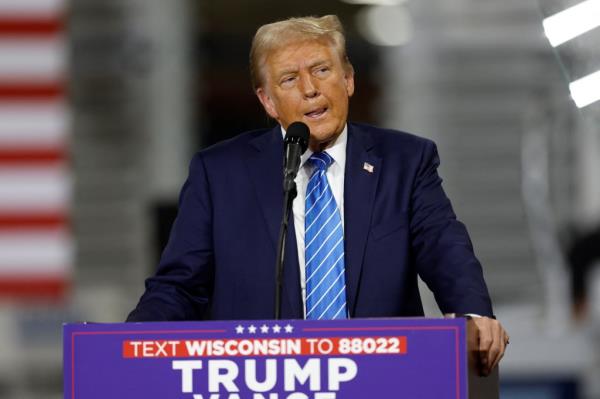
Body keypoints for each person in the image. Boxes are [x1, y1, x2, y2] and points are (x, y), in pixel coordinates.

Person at [127, 15, 508, 375]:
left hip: (383, 380)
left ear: (348, 80)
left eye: (322, 70)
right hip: (260, 383)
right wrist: (125, 347)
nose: (310, 88)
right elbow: (180, 285)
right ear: (268, 101)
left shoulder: (404, 162)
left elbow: (444, 247)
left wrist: (472, 314)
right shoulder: (220, 173)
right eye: (289, 79)